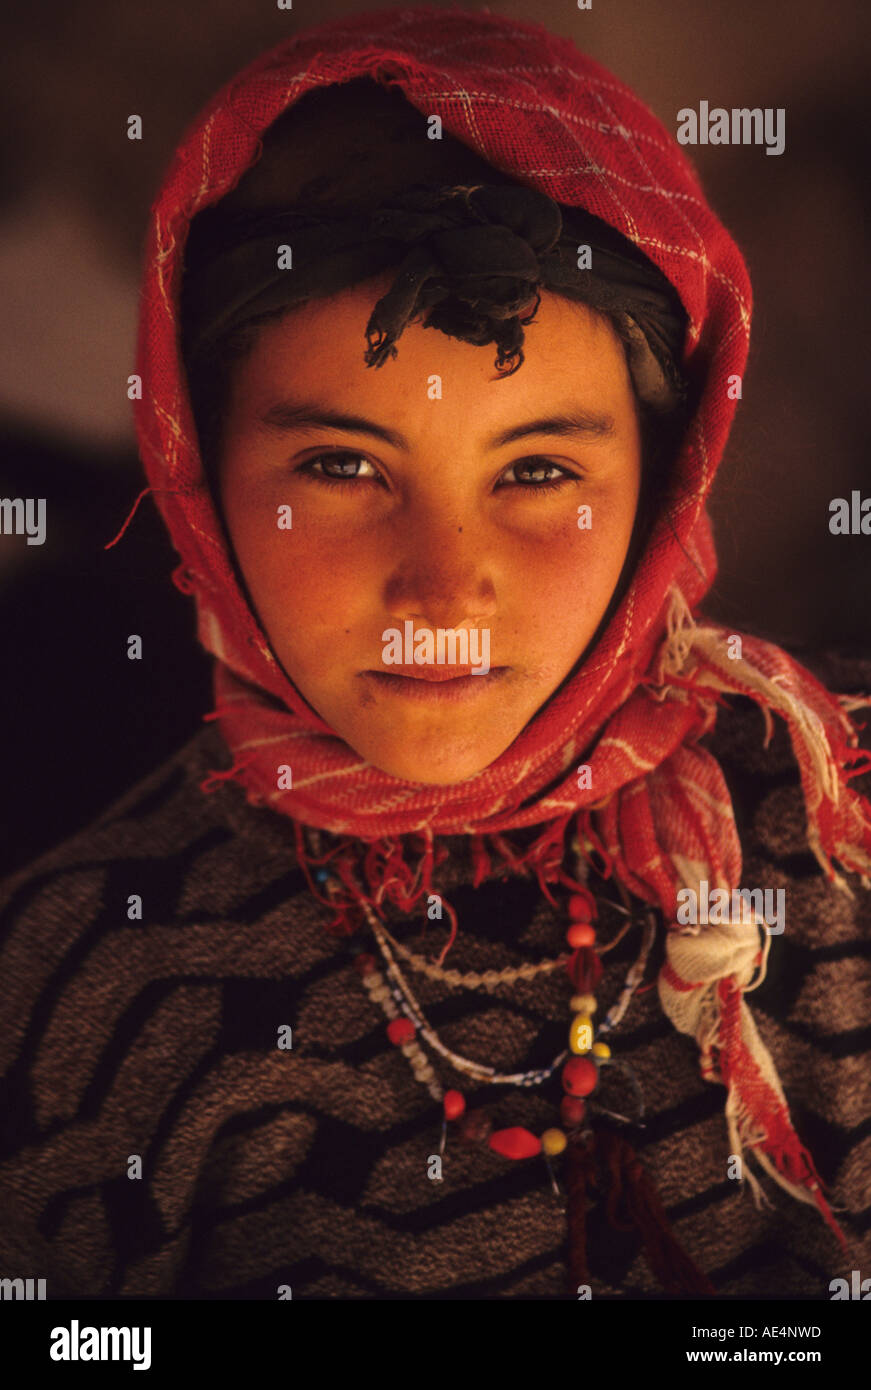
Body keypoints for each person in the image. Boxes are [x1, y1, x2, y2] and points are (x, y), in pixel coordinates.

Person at [0, 5, 868, 1300]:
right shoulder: (79, 992)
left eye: (537, 468)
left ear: (667, 479)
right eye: (342, 464)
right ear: (197, 469)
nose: (444, 575)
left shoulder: (838, 831)